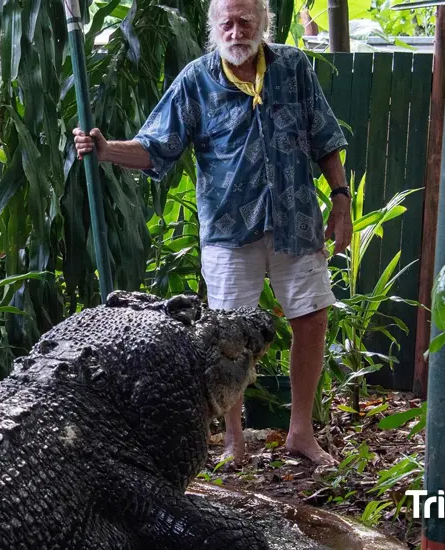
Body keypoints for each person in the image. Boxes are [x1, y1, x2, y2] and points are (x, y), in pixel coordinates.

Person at [72, 0, 352, 467]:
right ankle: (233, 439)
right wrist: (106, 150)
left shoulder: (294, 67)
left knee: (312, 318)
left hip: (295, 221)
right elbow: (155, 146)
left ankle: (300, 432)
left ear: (265, 23)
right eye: (227, 22)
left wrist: (340, 198)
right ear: (213, 28)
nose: (237, 30)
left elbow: (324, 137)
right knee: (226, 338)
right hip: (228, 229)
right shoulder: (196, 79)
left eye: (246, 21)